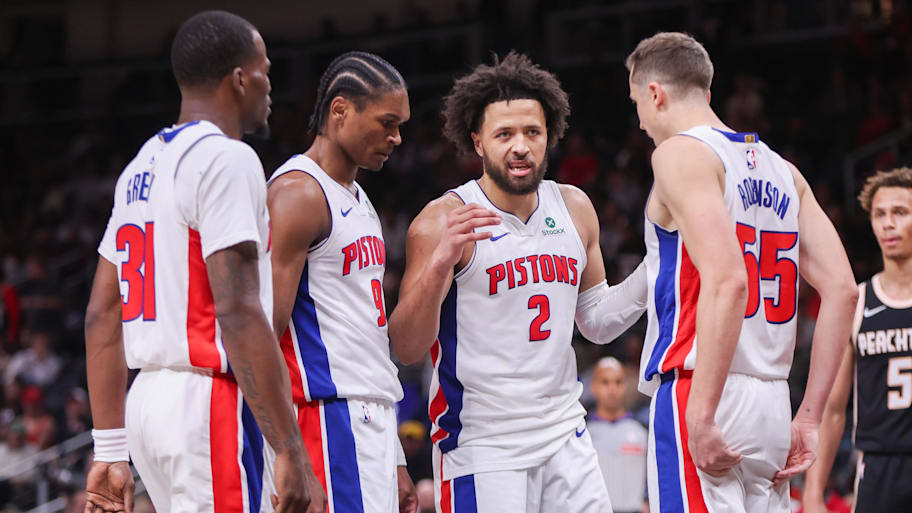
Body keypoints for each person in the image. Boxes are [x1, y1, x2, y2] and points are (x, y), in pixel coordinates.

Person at [84, 10, 322, 513]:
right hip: (205, 400)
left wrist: (109, 449)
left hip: (148, 401)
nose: (269, 87)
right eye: (266, 72)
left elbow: (102, 314)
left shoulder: (139, 167)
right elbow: (237, 311)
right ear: (239, 79)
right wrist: (288, 445)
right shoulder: (227, 159)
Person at [388, 51, 647, 513]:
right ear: (478, 142)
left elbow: (597, 323)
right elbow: (406, 347)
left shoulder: (574, 207)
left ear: (550, 136)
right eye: (504, 134)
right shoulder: (442, 220)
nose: (520, 146)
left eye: (532, 132)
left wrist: (657, 267)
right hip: (483, 446)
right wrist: (439, 266)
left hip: (566, 435)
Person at [625, 32, 857, 513]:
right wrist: (808, 417)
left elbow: (728, 280)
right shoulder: (783, 170)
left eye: (636, 103)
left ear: (654, 93)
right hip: (773, 403)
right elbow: (843, 291)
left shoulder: (678, 154)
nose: (642, 122)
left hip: (703, 384)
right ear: (707, 94)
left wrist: (703, 412)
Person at [267, 51, 417, 513]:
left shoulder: (357, 195)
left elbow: (364, 337)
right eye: (387, 122)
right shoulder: (298, 194)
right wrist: (286, 447)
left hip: (368, 417)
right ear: (340, 111)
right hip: (326, 418)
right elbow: (262, 331)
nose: (396, 137)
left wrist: (393, 457)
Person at [803, 168, 912, 513]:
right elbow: (834, 410)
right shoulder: (860, 301)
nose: (887, 224)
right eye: (879, 214)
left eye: (900, 212)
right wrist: (813, 491)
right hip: (879, 467)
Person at [586, 358, 648, 513]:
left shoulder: (642, 431)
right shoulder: (583, 434)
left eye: (618, 382)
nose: (612, 389)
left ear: (625, 386)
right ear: (594, 386)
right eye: (605, 382)